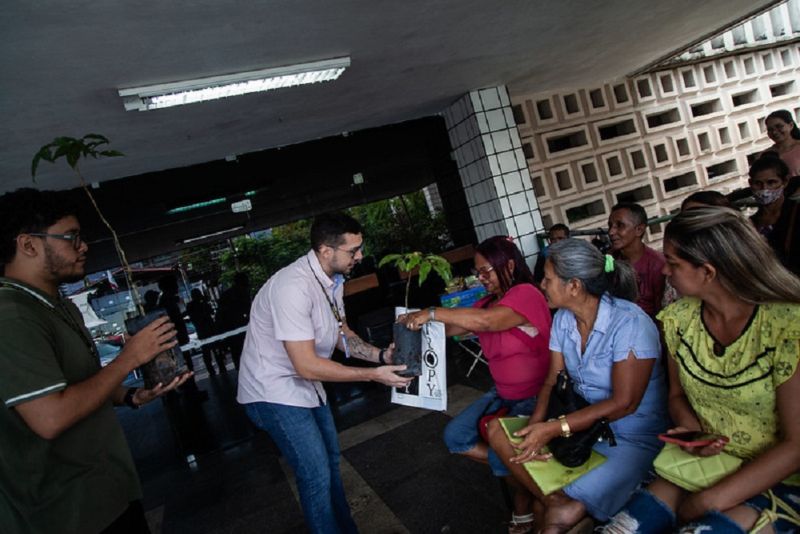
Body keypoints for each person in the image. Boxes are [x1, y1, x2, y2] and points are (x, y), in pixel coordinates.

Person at [0, 188, 189, 534]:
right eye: (72, 238)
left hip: (107, 491)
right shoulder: (11, 316)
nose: (84, 246)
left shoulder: (59, 305)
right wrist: (130, 358)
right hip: (65, 514)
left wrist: (129, 395)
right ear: (28, 245)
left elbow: (82, 380)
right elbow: (50, 417)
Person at [602, 206, 800, 533]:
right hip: (707, 464)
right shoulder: (680, 321)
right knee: (621, 529)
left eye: (674, 263)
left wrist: (706, 501)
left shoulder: (784, 328)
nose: (665, 271)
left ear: (707, 272)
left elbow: (795, 447)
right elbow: (677, 395)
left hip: (778, 476)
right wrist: (692, 429)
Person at [236, 212, 412, 534]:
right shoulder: (292, 287)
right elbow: (304, 364)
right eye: (352, 250)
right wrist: (373, 376)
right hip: (273, 392)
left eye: (360, 248)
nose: (360, 256)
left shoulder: (333, 281)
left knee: (330, 466)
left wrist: (379, 355)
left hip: (307, 386)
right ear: (325, 250)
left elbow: (340, 333)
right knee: (315, 474)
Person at [487, 238, 669, 533]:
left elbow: (624, 404)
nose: (541, 285)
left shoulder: (630, 324)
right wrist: (537, 429)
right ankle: (562, 503)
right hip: (583, 429)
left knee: (548, 518)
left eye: (547, 279)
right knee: (498, 431)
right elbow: (551, 380)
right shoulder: (563, 320)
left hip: (629, 437)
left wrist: (554, 429)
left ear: (574, 286)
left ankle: (561, 507)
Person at [398, 236, 552, 534]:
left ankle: (530, 502)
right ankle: (528, 484)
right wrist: (408, 335)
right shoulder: (486, 302)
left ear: (508, 265)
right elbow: (451, 328)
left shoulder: (526, 294)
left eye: (486, 271)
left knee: (498, 451)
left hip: (536, 395)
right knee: (457, 437)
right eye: (477, 272)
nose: (480, 278)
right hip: (503, 393)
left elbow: (486, 322)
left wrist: (430, 312)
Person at [608, 202, 666, 317]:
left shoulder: (658, 265)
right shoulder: (609, 259)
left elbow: (662, 312)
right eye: (610, 226)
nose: (611, 232)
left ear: (639, 229)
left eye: (620, 225)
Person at [748, 153, 800, 276]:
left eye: (771, 182)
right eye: (758, 183)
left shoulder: (796, 211)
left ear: (785, 181)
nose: (764, 189)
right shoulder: (751, 224)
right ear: (750, 183)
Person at [186, 288, 225, 375]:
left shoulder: (201, 304)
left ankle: (218, 367)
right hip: (204, 331)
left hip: (208, 330)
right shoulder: (193, 306)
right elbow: (198, 316)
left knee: (213, 351)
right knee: (209, 352)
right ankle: (213, 369)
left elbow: (210, 311)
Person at [216, 272, 251, 370]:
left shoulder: (230, 294)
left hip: (235, 331)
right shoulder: (239, 294)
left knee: (239, 354)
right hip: (237, 330)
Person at [763, 109, 800, 178]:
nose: (774, 132)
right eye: (770, 129)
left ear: (791, 125)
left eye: (779, 126)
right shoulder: (766, 155)